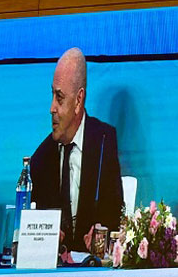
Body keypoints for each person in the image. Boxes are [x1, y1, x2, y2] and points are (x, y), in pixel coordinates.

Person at [30, 47, 123, 252]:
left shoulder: (104, 141)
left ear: (78, 100)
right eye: (52, 95)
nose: (52, 108)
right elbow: (36, 230)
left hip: (93, 266)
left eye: (59, 97)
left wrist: (103, 232)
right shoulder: (40, 160)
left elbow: (116, 212)